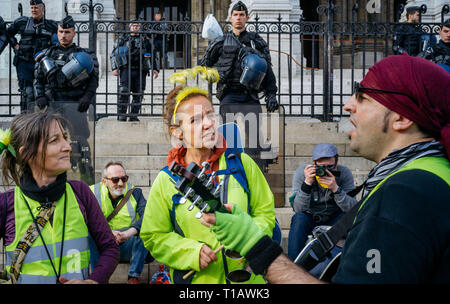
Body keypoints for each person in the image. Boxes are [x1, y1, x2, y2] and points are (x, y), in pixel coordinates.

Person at [201, 54, 450, 283]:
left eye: (363, 97)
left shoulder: (405, 193)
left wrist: (252, 243)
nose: (348, 105)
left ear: (402, 118)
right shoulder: (430, 174)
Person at [139, 66, 276, 284]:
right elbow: (153, 235)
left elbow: (266, 214)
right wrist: (191, 252)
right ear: (178, 132)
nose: (209, 124)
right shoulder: (166, 180)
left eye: (210, 114)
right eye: (195, 120)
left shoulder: (241, 163)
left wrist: (248, 239)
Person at [0, 111, 119, 284]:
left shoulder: (80, 192)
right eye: (54, 140)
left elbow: (110, 248)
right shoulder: (6, 203)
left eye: (65, 137)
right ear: (27, 154)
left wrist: (92, 281)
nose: (68, 146)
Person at [199, 1, 279, 164]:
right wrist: (212, 73)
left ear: (247, 18)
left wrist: (271, 94)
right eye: (235, 15)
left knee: (255, 136)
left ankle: (257, 169)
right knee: (228, 136)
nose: (238, 18)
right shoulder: (221, 41)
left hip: (250, 95)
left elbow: (267, 69)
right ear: (230, 18)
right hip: (229, 95)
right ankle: (230, 168)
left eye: (242, 15)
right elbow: (204, 65)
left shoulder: (256, 41)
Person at [33, 15, 98, 184]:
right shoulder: (48, 54)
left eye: (67, 32)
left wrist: (87, 97)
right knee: (52, 140)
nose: (63, 35)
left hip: (76, 105)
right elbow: (38, 79)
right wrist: (39, 95)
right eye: (61, 32)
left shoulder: (85, 54)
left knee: (82, 141)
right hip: (54, 105)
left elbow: (93, 79)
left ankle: (86, 178)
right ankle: (53, 178)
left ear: (74, 33)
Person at [287, 143, 356, 260]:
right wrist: (307, 183)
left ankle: (344, 262)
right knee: (298, 219)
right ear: (314, 163)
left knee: (348, 219)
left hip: (334, 217)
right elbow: (298, 209)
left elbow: (352, 208)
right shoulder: (302, 173)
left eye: (330, 167)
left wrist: (335, 189)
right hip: (310, 216)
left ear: (337, 163)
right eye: (322, 167)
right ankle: (294, 264)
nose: (326, 171)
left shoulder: (344, 173)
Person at [89, 161, 150, 284]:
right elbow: (83, 219)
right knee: (89, 235)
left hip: (127, 244)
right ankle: (98, 279)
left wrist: (127, 233)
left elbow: (148, 216)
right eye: (115, 180)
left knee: (146, 229)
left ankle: (133, 277)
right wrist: (106, 233)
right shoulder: (91, 193)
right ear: (104, 181)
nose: (121, 183)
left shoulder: (135, 192)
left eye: (124, 178)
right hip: (102, 244)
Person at [6, 0, 58, 111]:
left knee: (45, 93)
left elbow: (59, 41)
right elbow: (8, 33)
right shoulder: (22, 22)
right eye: (32, 7)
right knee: (27, 93)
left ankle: (44, 122)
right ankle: (25, 121)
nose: (34, 10)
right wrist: (15, 45)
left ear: (43, 9)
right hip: (24, 63)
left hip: (42, 65)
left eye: (36, 7)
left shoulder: (51, 25)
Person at [111, 19, 159, 122]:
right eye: (133, 26)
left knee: (139, 93)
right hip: (126, 69)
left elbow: (153, 55)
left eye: (137, 26)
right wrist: (114, 67)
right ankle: (122, 115)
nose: (135, 27)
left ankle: (133, 115)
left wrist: (155, 68)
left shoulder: (146, 40)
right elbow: (114, 53)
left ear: (140, 27)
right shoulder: (123, 39)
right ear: (130, 27)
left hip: (141, 70)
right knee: (124, 91)